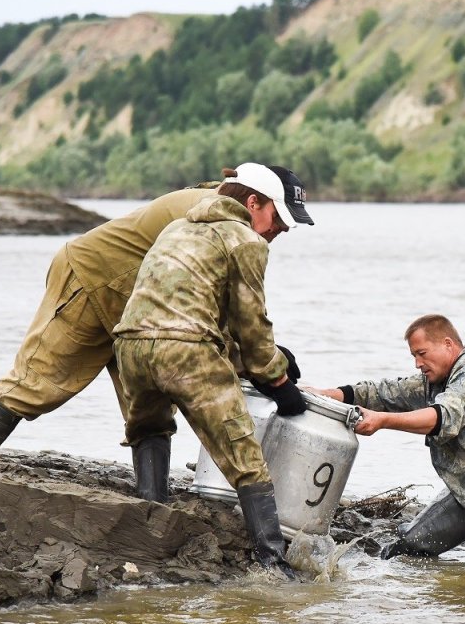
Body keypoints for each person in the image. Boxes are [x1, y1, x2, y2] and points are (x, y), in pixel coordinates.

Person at [112, 163, 314, 577]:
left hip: (129, 345)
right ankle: (274, 566)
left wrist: (256, 360)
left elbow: (196, 311)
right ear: (253, 203)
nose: (282, 230)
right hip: (186, 351)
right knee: (245, 457)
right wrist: (279, 382)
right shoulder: (246, 240)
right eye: (279, 218)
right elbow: (252, 330)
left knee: (149, 427)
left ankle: (151, 518)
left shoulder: (177, 229)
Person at [0, 181, 223, 461]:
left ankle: (153, 502)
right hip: (92, 279)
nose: (272, 231)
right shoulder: (211, 213)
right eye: (272, 217)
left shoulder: (224, 212)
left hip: (135, 304)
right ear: (254, 201)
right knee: (34, 384)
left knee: (151, 406)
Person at [306, 314, 465, 564]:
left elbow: (443, 417)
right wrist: (327, 394)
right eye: (413, 356)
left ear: (448, 344)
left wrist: (382, 421)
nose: (417, 363)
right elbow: (383, 393)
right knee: (406, 552)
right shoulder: (435, 381)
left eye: (422, 353)